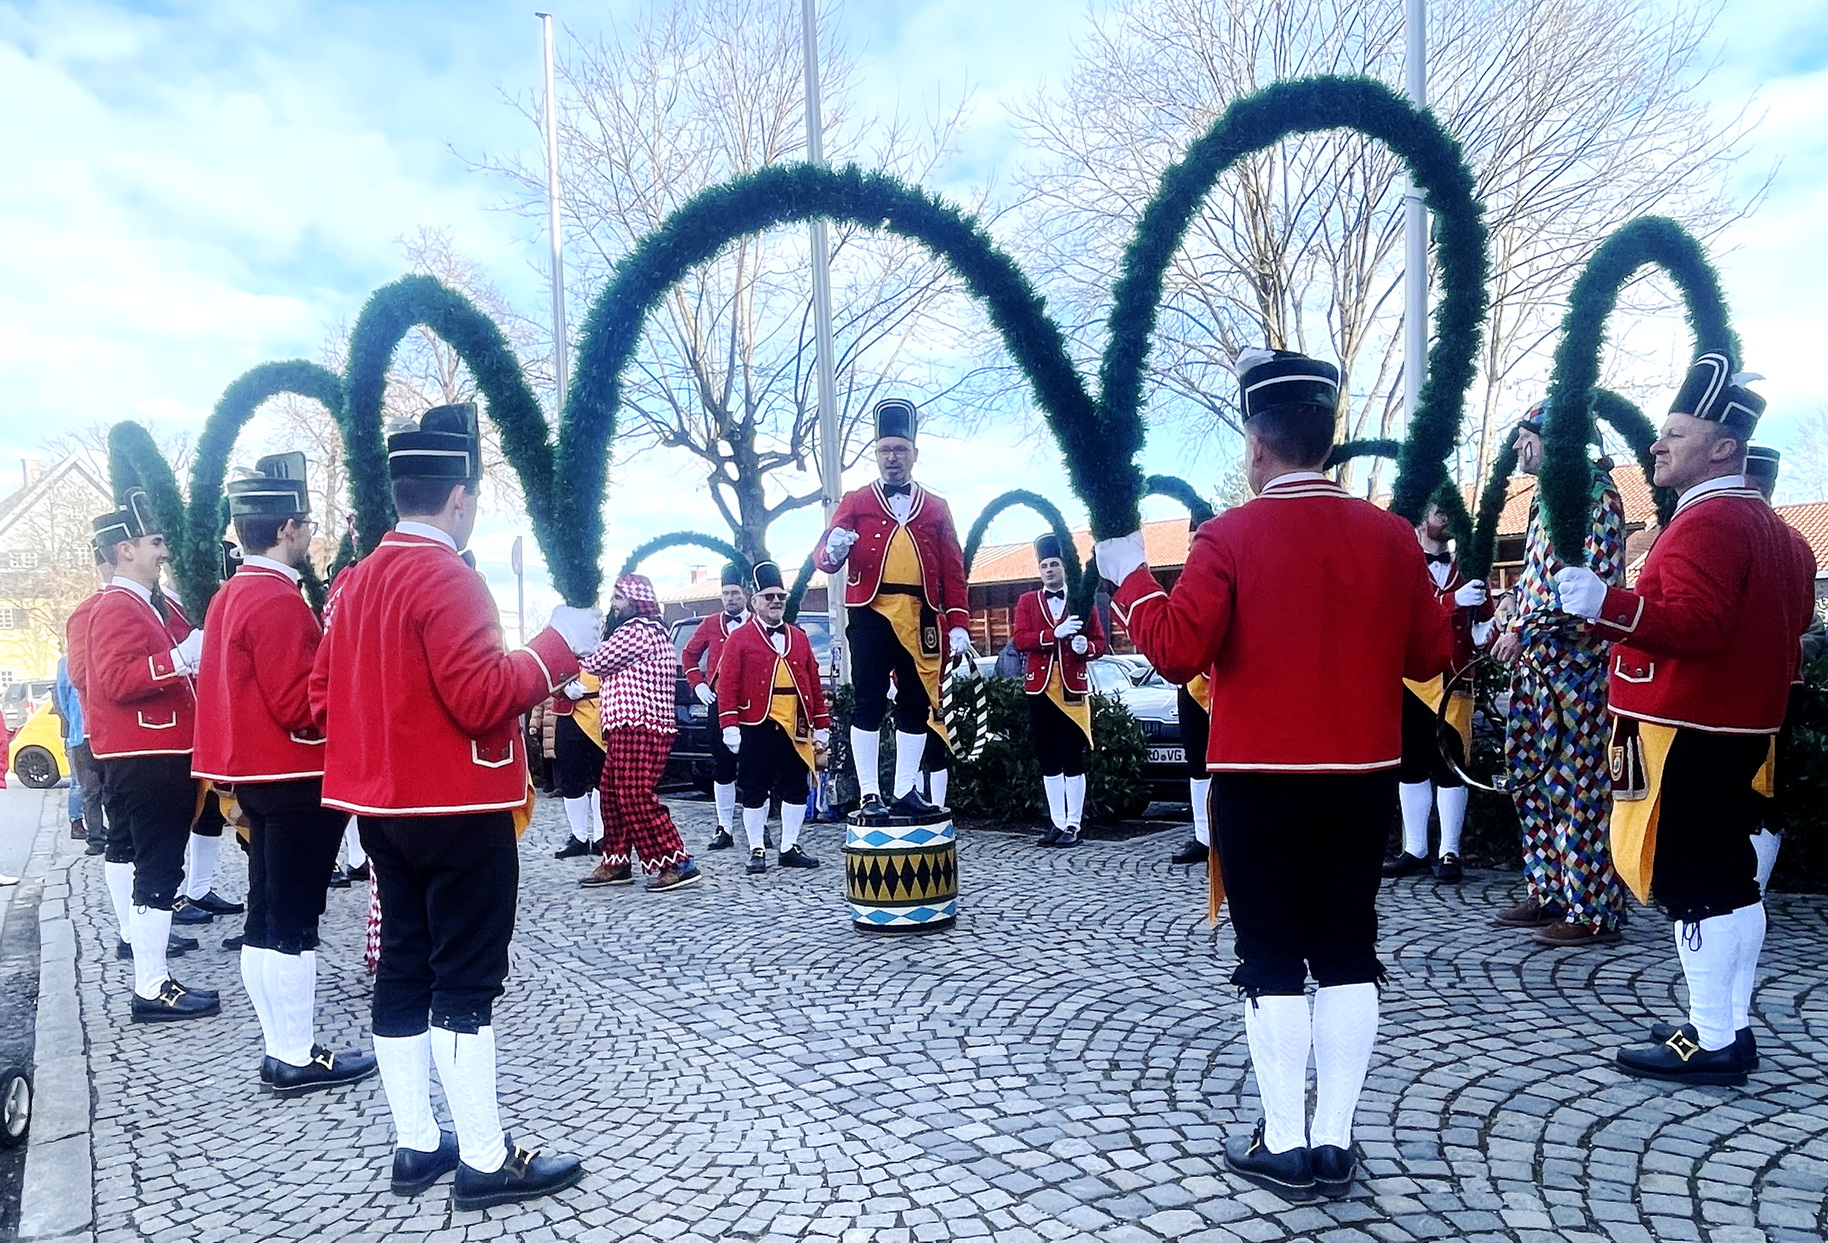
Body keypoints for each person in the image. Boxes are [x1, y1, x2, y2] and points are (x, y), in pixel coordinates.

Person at [1095, 348, 1452, 1200]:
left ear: (1257, 443)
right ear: (1326, 435)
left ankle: (1285, 1139)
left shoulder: (1227, 536)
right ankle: (1335, 1140)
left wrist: (1130, 578)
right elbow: (1430, 653)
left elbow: (1176, 650)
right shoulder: (1390, 536)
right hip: (1362, 774)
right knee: (1348, 949)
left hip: (1259, 777)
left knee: (1271, 956)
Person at [311, 403, 599, 1208]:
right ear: (460, 495)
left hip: (383, 811)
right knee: (466, 979)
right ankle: (482, 1157)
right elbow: (479, 698)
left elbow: (321, 697)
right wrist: (555, 646)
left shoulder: (355, 581)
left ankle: (416, 1143)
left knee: (404, 968)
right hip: (460, 809)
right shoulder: (449, 574)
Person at [1552, 356, 1813, 1085]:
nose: (1657, 445)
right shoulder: (1771, 528)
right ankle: (1726, 1024)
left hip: (1685, 727)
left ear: (1723, 447)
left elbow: (1697, 626)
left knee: (1697, 883)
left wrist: (1607, 604)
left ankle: (1712, 1037)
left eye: (1675, 433)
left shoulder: (1708, 520)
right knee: (1731, 881)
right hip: (1735, 726)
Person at [192, 452, 378, 1095]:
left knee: (267, 917)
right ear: (286, 528)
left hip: (258, 776)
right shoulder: (275, 599)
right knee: (294, 922)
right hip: (296, 775)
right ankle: (295, 1055)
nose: (309, 537)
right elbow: (301, 704)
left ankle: (280, 1049)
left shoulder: (231, 593)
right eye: (306, 526)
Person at [1489, 401, 1628, 946]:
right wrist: (1508, 611)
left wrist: (1527, 628)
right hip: (1534, 669)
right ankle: (1549, 890)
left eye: (1526, 436)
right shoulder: (1540, 502)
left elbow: (1595, 588)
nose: (1517, 447)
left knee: (1578, 787)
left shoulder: (1598, 496)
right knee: (1529, 778)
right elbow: (1535, 581)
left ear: (1556, 441)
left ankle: (1592, 909)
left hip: (1576, 671)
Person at [84, 490, 217, 1021]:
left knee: (156, 867)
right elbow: (117, 681)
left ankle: (153, 980)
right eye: (155, 543)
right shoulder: (118, 606)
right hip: (148, 754)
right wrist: (180, 658)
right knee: (159, 869)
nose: (164, 553)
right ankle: (151, 986)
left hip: (153, 752)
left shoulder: (137, 603)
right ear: (125, 549)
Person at [813, 398, 970, 814]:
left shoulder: (936, 506)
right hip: (870, 609)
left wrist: (958, 621)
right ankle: (869, 793)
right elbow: (824, 558)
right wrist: (834, 549)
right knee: (869, 697)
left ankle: (904, 790)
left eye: (900, 450)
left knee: (916, 700)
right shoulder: (855, 500)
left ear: (914, 454)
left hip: (922, 613)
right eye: (885, 450)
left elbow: (953, 568)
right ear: (876, 454)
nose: (892, 457)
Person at [1382, 502, 1491, 883]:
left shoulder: (1470, 567)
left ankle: (1449, 851)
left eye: (1450, 511)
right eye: (1438, 511)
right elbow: (1401, 615)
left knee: (1452, 765)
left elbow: (1484, 625)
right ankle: (1415, 848)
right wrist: (1452, 601)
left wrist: (1487, 631)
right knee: (1410, 765)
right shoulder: (1403, 566)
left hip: (1455, 678)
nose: (1446, 518)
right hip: (1411, 679)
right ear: (1421, 517)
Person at [577, 575, 702, 892]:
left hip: (640, 724)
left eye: (619, 598)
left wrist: (571, 641)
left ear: (635, 601)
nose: (614, 605)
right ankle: (616, 860)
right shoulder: (645, 630)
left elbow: (596, 661)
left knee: (634, 794)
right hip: (631, 724)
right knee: (611, 793)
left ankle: (676, 861)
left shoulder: (638, 630)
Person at [717, 561, 830, 873]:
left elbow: (813, 681)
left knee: (796, 786)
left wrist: (822, 723)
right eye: (769, 597)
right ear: (755, 602)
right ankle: (756, 848)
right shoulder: (739, 638)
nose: (776, 601)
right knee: (755, 787)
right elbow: (728, 684)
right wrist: (729, 724)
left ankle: (789, 846)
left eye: (780, 596)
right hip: (757, 723)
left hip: (796, 723)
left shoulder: (799, 636)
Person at [1742, 445, 1819, 891]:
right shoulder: (1797, 542)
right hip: (1784, 682)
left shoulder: (1745, 535)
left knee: (1752, 793)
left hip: (1748, 690)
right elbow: (1805, 618)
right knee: (1763, 793)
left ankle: (1746, 888)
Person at [1012, 533, 1107, 847]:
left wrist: (1085, 647)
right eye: (1044, 566)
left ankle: (1073, 824)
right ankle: (1056, 822)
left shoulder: (1081, 600)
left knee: (1072, 755)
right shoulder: (1027, 601)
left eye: (1054, 564)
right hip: (1039, 689)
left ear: (1064, 567)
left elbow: (1100, 643)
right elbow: (1021, 639)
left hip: (1071, 688)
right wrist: (1053, 633)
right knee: (1048, 756)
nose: (1049, 570)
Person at [682, 562, 751, 850]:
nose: (730, 598)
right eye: (725, 593)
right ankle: (724, 827)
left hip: (753, 705)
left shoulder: (757, 623)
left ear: (746, 594)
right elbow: (688, 654)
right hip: (719, 704)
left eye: (735, 592)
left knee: (756, 766)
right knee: (722, 766)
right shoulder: (711, 623)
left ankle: (758, 826)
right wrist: (698, 684)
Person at [547, 671, 605, 860]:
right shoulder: (563, 650)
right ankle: (579, 836)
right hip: (569, 712)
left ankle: (602, 835)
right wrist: (561, 686)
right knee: (570, 775)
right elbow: (548, 671)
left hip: (603, 711)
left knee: (603, 778)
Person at [1168, 674, 1214, 865]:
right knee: (1196, 763)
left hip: (1221, 684)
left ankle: (1222, 835)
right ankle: (1203, 837)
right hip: (1191, 683)